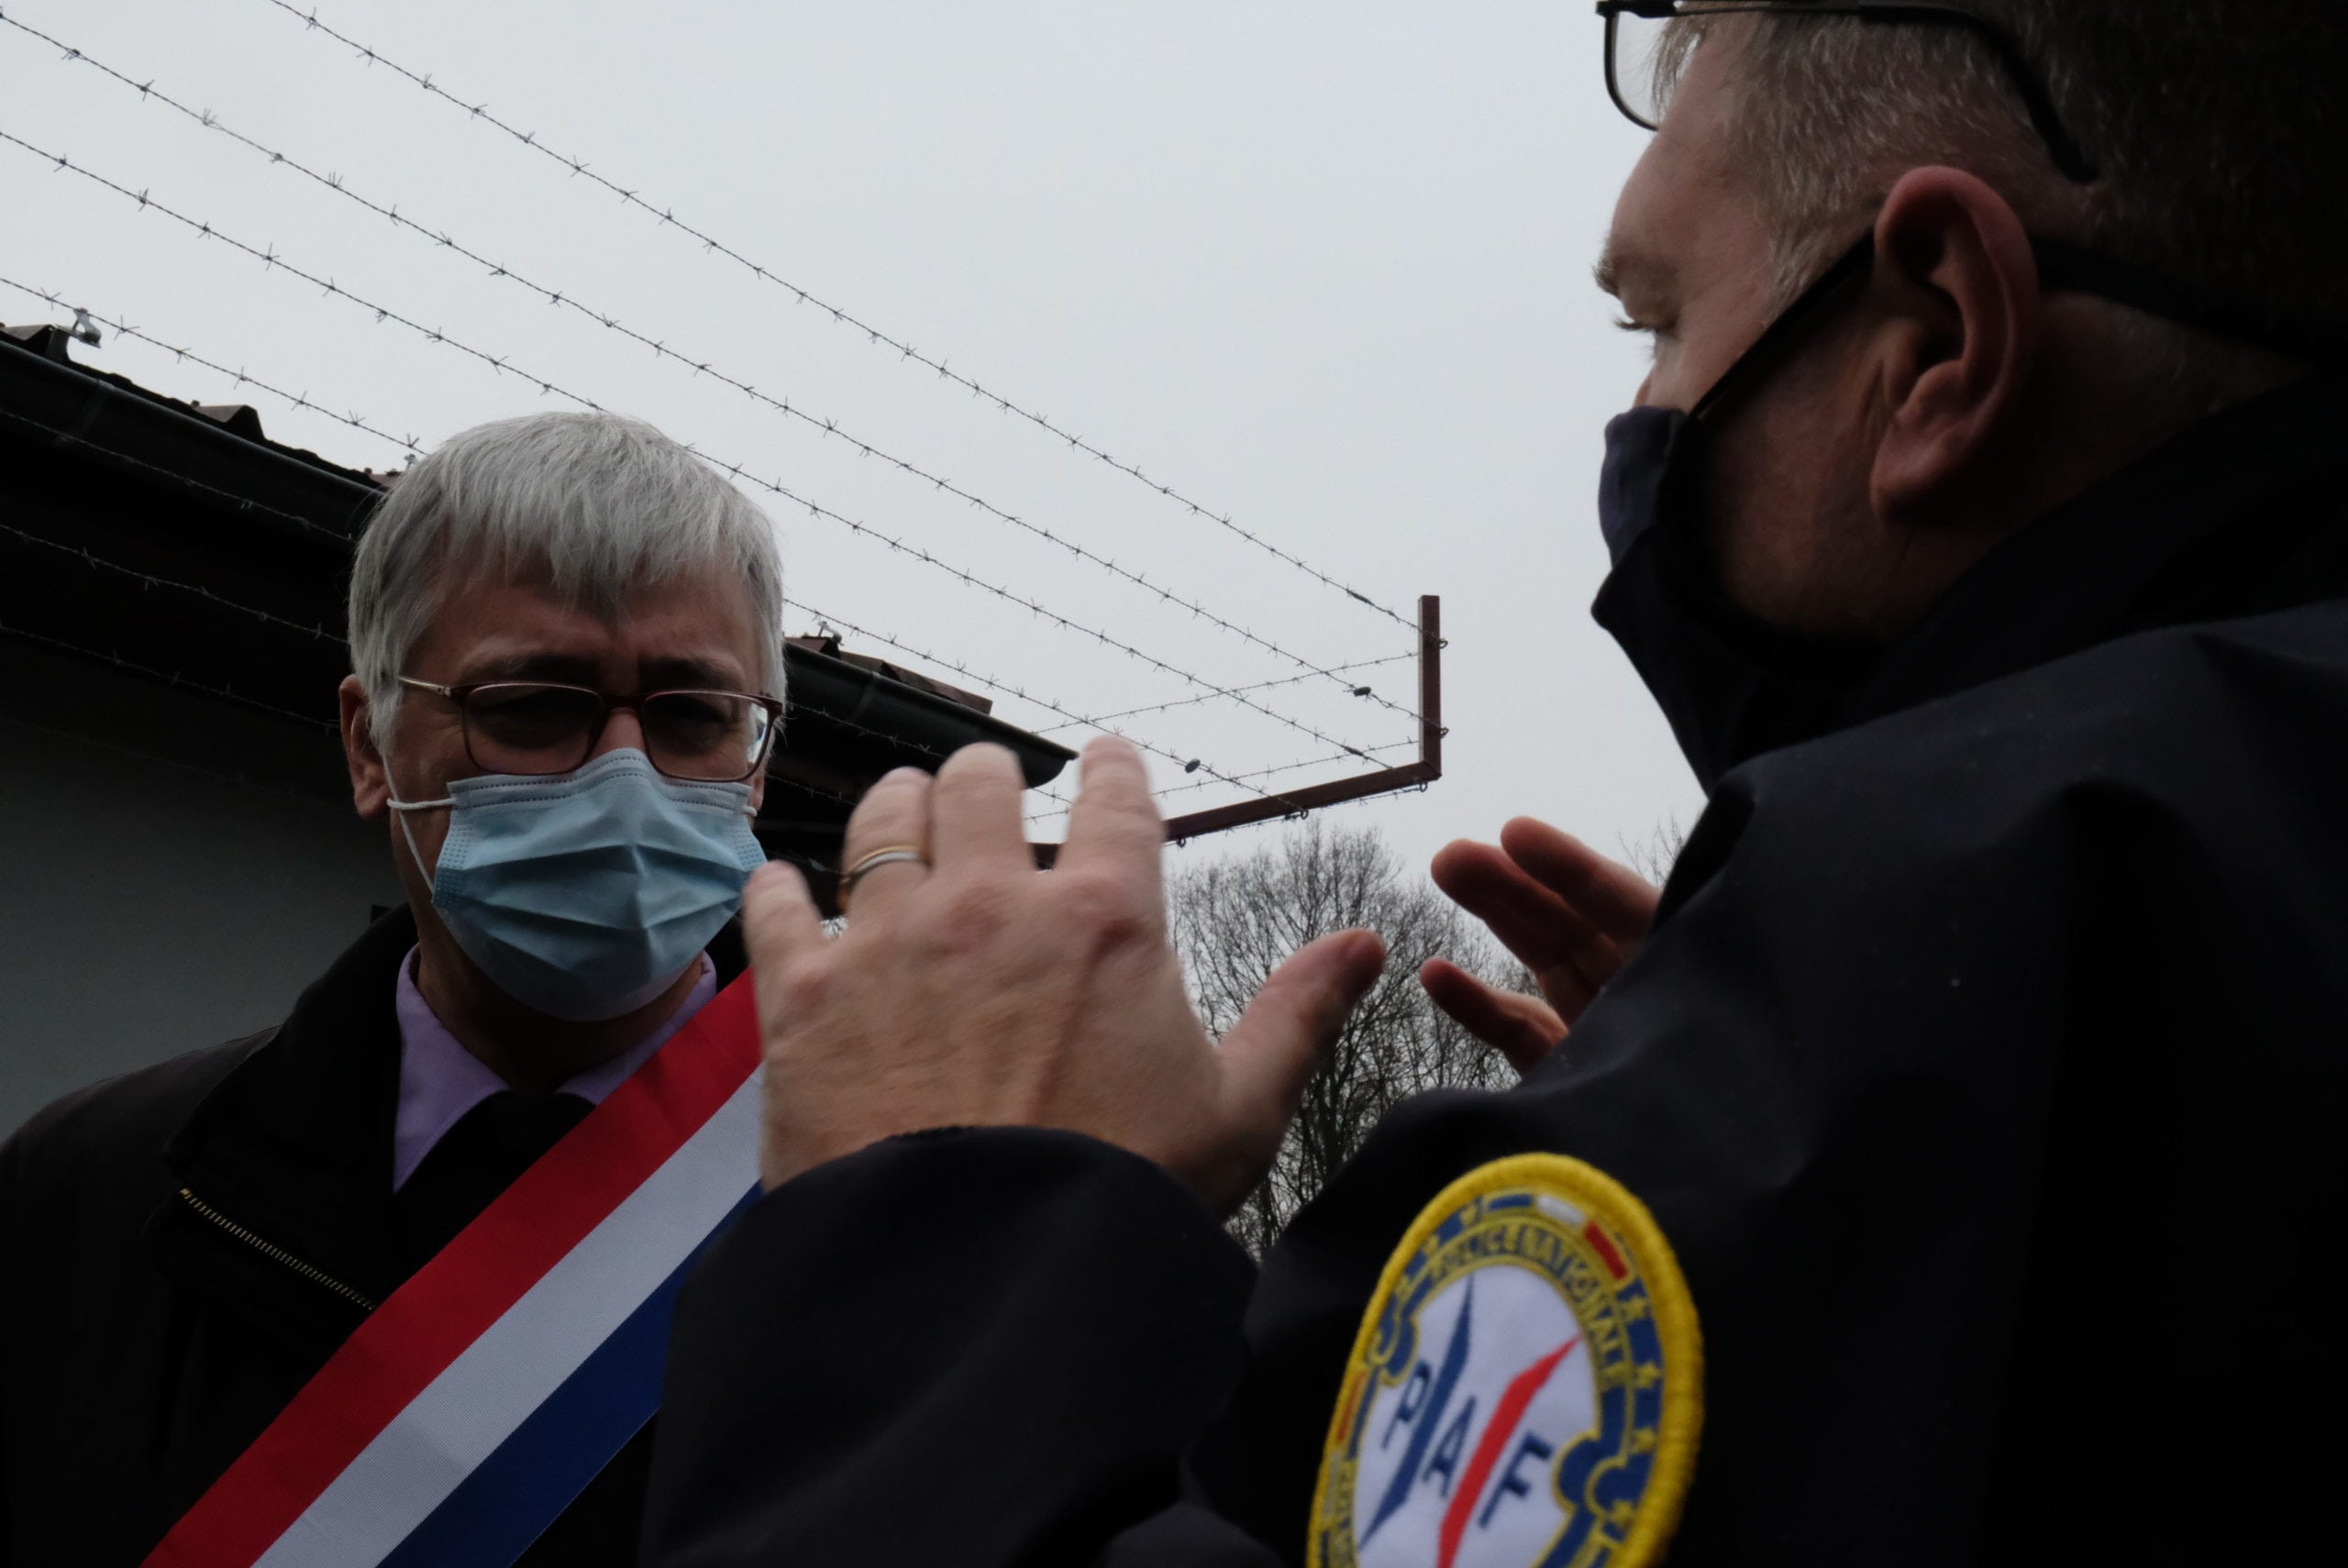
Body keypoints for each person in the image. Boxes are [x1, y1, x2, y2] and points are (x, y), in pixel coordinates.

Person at [640, 4, 2348, 1564]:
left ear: (1943, 346)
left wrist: (947, 1225)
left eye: (1664, 319)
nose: (1647, 411)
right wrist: (1733, 1130)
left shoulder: (1966, 892)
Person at [1, 412, 787, 1566]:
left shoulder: (910, 1208)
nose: (626, 776)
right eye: (530, 705)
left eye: (692, 716)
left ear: (756, 759)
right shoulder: (86, 1199)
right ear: (371, 746)